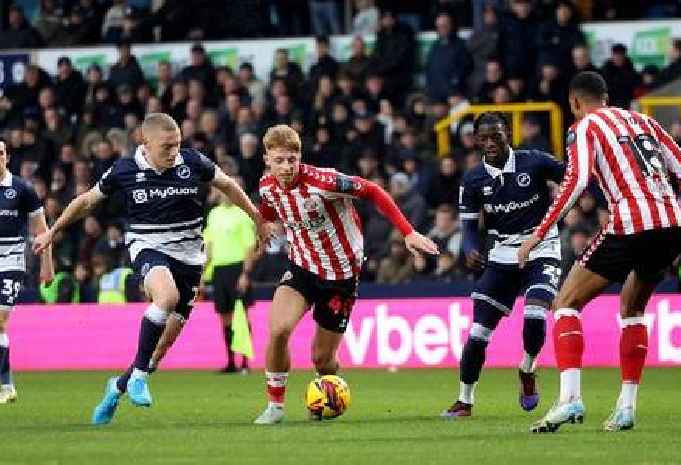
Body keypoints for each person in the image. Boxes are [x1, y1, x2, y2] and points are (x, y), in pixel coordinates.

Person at [33, 113, 270, 425]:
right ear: (145, 142)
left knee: (160, 349)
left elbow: (226, 184)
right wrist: (53, 230)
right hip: (148, 246)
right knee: (166, 297)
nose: (174, 152)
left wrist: (256, 216)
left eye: (178, 144)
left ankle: (118, 387)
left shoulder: (192, 162)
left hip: (190, 258)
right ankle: (139, 377)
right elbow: (88, 201)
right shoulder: (125, 169)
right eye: (166, 146)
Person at [518, 71, 681, 433]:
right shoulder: (643, 119)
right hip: (670, 223)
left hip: (631, 222)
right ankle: (626, 407)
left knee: (566, 303)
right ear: (606, 96)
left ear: (574, 103)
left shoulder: (586, 127)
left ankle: (570, 399)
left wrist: (537, 235)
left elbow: (575, 182)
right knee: (632, 308)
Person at [253, 124, 439, 424]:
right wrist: (261, 225)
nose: (287, 166)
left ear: (300, 156)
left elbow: (373, 190)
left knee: (322, 360)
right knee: (277, 331)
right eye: (280, 160)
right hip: (302, 267)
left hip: (340, 276)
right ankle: (275, 406)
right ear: (267, 160)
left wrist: (408, 232)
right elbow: (269, 208)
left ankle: (330, 394)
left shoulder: (324, 181)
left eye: (292, 158)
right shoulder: (267, 187)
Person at [440, 112, 564, 418]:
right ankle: (464, 400)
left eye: (496, 135)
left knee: (535, 313)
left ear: (508, 133)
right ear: (475, 141)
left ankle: (527, 369)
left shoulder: (534, 162)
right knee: (479, 332)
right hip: (502, 255)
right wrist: (469, 249)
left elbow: (574, 178)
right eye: (483, 138)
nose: (490, 143)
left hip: (541, 247)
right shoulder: (473, 179)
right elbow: (468, 227)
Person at [0, 139, 54, 404]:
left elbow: (42, 231)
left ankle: (5, 385)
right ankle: (6, 383)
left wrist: (48, 267)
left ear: (7, 157)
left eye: (0, 153)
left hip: (11, 260)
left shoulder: (22, 189)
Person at [202, 188, 257, 373]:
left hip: (237, 267)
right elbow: (209, 246)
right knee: (224, 317)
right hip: (219, 270)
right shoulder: (213, 214)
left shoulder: (242, 214)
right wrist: (202, 273)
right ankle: (231, 362)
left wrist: (245, 273)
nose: (226, 194)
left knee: (241, 316)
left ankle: (245, 362)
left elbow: (250, 246)